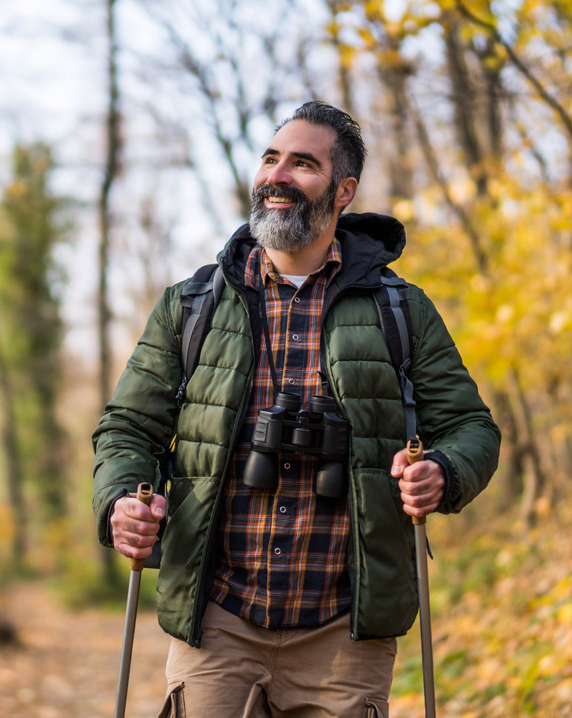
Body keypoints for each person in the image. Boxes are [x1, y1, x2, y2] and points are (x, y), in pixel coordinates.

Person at [92, 101, 500, 718]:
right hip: (218, 619)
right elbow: (128, 427)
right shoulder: (192, 304)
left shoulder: (401, 309)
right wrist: (123, 496)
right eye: (271, 158)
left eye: (302, 163)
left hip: (345, 628)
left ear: (344, 191)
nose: (277, 175)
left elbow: (472, 427)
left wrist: (443, 470)